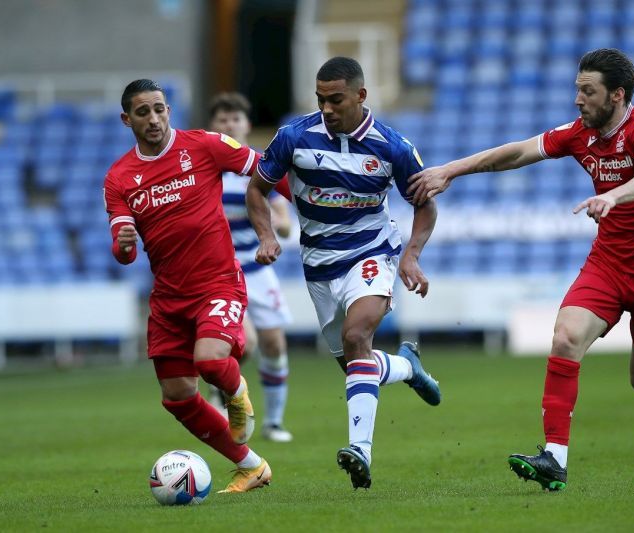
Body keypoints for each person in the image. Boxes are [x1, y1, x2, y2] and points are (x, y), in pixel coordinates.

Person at [407, 48, 634, 491]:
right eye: (576, 90)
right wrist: (451, 170)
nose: (578, 100)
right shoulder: (580, 133)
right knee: (566, 335)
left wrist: (614, 196)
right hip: (609, 262)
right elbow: (519, 152)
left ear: (617, 95)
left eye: (588, 91)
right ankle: (554, 459)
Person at [246, 57, 442, 489]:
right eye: (320, 100)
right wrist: (266, 236)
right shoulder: (294, 137)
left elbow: (425, 204)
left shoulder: (392, 147)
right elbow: (257, 189)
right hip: (318, 267)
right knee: (356, 365)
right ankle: (408, 368)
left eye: (336, 99)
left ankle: (360, 452)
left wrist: (410, 255)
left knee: (357, 339)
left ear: (360, 95)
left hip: (372, 253)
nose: (327, 108)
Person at [103, 79, 280, 493]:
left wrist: (306, 210)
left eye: (159, 109)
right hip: (168, 298)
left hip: (217, 282)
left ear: (169, 110)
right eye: (143, 112)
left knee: (211, 361)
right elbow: (123, 248)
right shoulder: (119, 177)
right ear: (127, 119)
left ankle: (237, 395)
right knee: (178, 396)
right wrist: (123, 245)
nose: (154, 118)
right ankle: (252, 467)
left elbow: (267, 170)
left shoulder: (204, 146)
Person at [207, 92, 295, 443]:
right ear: (213, 127)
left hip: (257, 268)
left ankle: (274, 422)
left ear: (246, 124)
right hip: (221, 272)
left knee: (274, 344)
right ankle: (222, 391)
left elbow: (283, 219)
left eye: (235, 119)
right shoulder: (207, 169)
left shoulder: (259, 168)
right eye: (222, 120)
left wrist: (280, 223)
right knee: (247, 342)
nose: (229, 125)